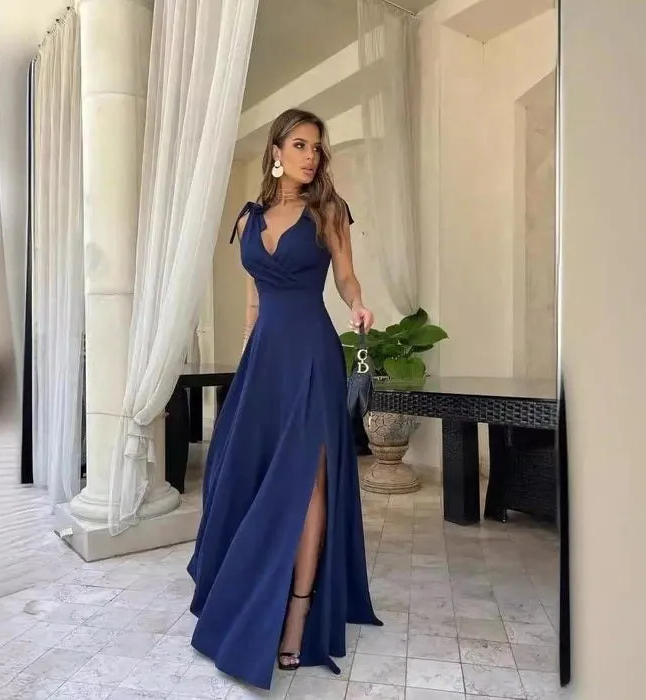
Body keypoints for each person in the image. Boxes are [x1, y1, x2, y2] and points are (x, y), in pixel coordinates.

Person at [187, 108, 382, 690]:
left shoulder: (329, 210)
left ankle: (298, 611)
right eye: (299, 145)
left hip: (312, 352)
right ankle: (248, 586)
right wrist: (248, 357)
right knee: (238, 470)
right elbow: (254, 297)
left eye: (316, 148)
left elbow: (345, 276)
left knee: (308, 479)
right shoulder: (248, 220)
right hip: (265, 358)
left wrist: (357, 304)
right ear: (276, 151)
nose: (310, 156)